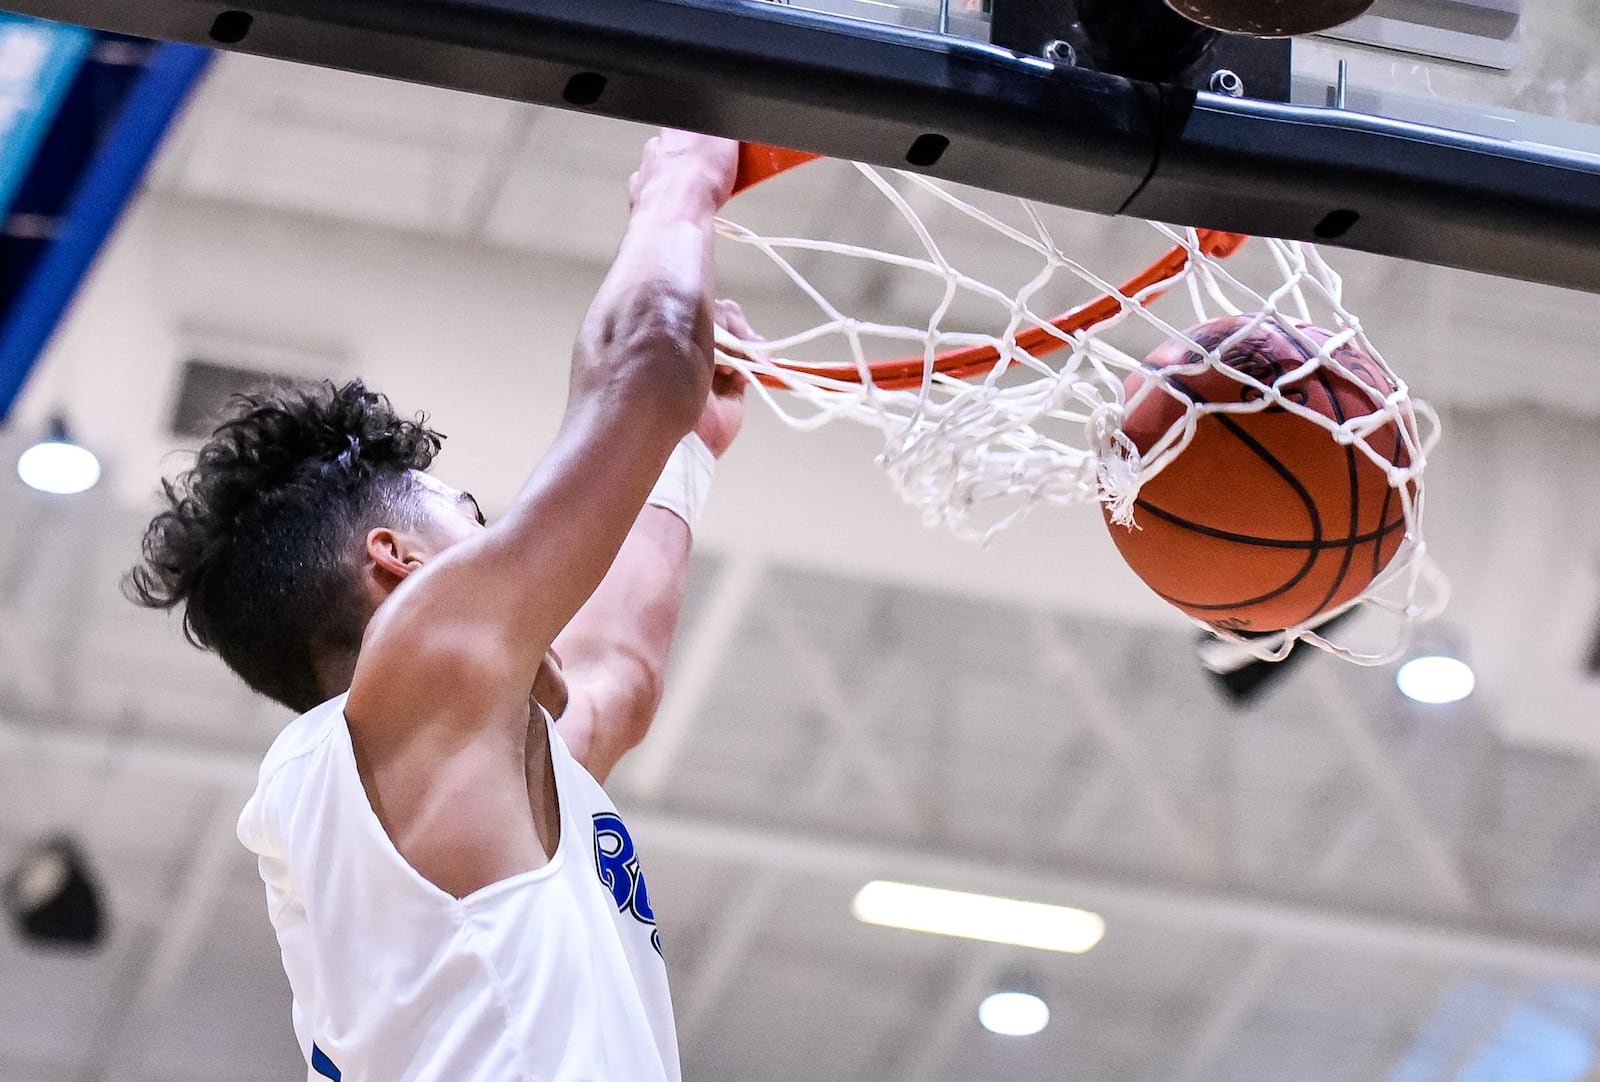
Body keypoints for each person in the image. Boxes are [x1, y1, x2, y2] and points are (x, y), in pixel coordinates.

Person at [126, 130, 749, 1082]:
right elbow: (653, 357)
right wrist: (683, 177)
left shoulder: (436, 769)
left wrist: (684, 455)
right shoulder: (414, 681)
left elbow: (612, 677)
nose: (515, 560)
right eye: (479, 524)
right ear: (399, 565)